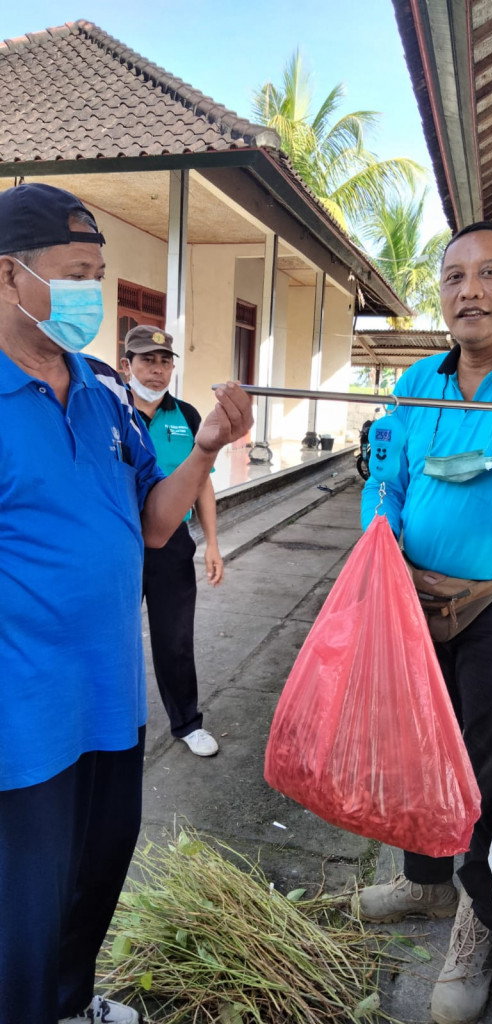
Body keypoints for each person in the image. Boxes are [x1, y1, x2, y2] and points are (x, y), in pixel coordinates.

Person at [0, 182, 252, 1024]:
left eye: (97, 276)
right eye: (74, 274)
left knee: (97, 873)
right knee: (19, 916)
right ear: (9, 277)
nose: (91, 295)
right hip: (20, 717)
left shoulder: (106, 392)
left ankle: (71, 1005)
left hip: (108, 698)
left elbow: (152, 526)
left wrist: (207, 450)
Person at [354, 221, 492, 1024]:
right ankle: (421, 879)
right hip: (414, 599)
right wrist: (374, 536)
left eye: (490, 275)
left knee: (486, 767)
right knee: (416, 750)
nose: (469, 291)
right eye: (453, 277)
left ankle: (475, 922)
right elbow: (386, 473)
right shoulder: (416, 381)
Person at [120, 325, 221, 757]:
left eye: (165, 361)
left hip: (172, 545)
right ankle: (113, 725)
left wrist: (212, 542)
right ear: (126, 366)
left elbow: (201, 484)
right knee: (112, 634)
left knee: (174, 637)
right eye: (147, 360)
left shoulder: (188, 417)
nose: (157, 370)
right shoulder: (108, 409)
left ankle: (187, 723)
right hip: (118, 542)